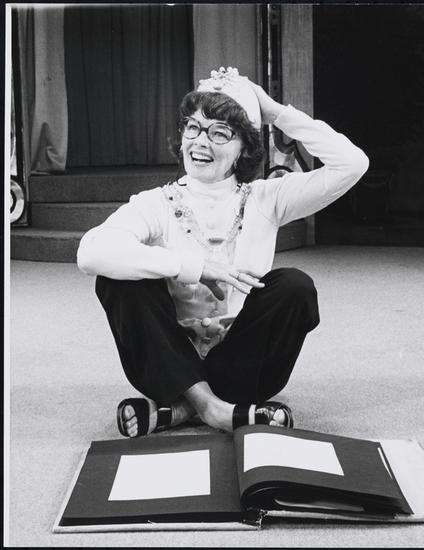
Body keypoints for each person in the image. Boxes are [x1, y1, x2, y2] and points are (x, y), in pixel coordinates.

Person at [77, 66, 369, 437]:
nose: (200, 142)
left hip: (246, 366)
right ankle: (214, 409)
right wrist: (193, 267)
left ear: (244, 146)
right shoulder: (155, 203)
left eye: (219, 133)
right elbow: (90, 252)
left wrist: (277, 112)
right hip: (168, 362)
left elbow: (352, 164)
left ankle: (181, 409)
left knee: (294, 285)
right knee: (118, 280)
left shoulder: (267, 198)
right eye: (193, 128)